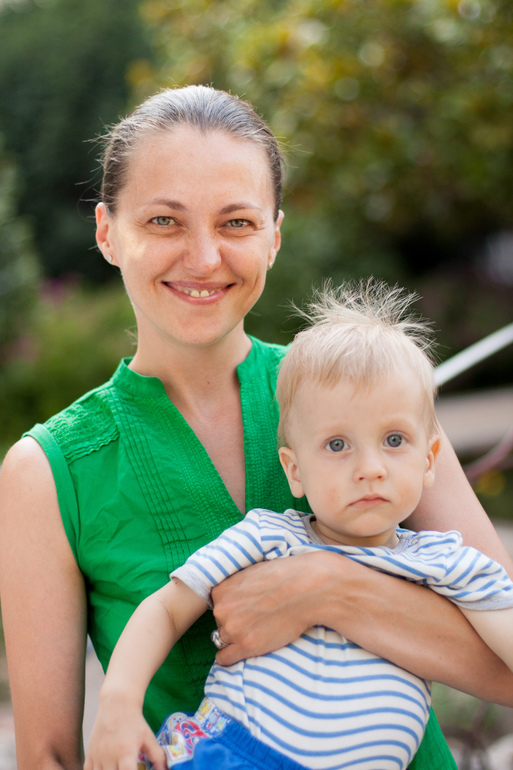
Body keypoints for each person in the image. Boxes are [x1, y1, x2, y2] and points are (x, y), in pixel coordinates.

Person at [0, 85, 512, 770]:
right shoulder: (48, 472)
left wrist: (329, 589)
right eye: (164, 221)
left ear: (274, 234)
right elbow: (49, 757)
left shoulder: (370, 396)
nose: (204, 257)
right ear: (106, 232)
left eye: (236, 222)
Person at [84, 280, 513, 770]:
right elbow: (165, 609)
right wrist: (118, 704)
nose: (370, 468)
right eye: (337, 445)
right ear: (294, 470)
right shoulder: (271, 537)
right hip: (230, 755)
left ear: (429, 459)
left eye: (394, 440)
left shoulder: (449, 564)